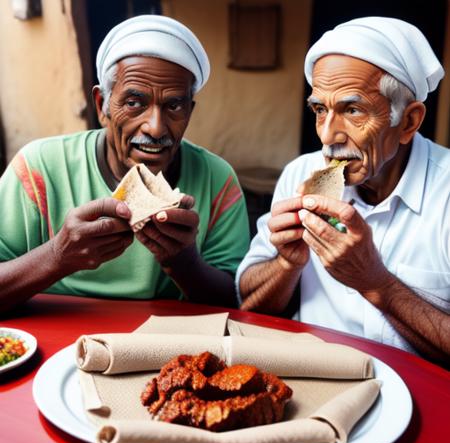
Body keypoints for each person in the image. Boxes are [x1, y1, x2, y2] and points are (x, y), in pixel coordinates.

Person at [0, 15, 249, 313]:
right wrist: (58, 256)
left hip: (167, 350)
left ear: (190, 111)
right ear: (101, 105)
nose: (156, 128)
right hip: (52, 345)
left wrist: (183, 261)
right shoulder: (38, 168)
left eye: (174, 106)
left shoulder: (217, 179)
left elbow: (239, 302)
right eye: (134, 103)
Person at [237, 17, 450, 365]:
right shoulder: (300, 174)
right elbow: (248, 305)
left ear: (408, 121)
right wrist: (286, 265)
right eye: (320, 110)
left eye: (353, 110)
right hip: (308, 382)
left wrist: (374, 282)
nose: (327, 137)